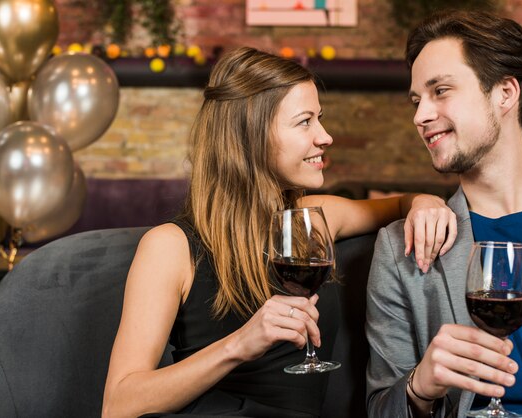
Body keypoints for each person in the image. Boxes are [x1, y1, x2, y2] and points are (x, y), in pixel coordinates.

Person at [102, 46, 456, 418]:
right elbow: (119, 403)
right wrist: (239, 344)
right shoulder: (170, 247)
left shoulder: (315, 219)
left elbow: (403, 203)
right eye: (305, 122)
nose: (325, 136)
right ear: (250, 136)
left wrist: (425, 201)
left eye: (320, 118)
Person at [366, 10, 522, 418]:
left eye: (440, 91)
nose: (419, 115)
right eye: (416, 100)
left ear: (505, 92)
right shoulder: (399, 248)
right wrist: (420, 386)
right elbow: (380, 409)